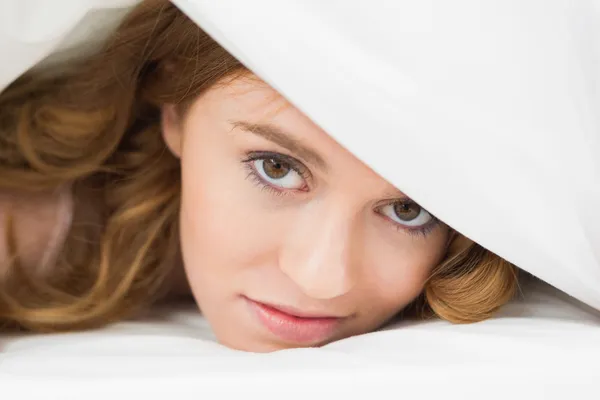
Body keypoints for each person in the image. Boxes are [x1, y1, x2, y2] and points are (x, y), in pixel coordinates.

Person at [0, 0, 518, 352]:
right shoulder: (21, 226)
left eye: (409, 209)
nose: (321, 277)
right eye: (277, 168)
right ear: (173, 107)